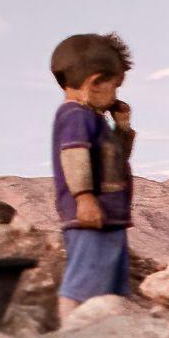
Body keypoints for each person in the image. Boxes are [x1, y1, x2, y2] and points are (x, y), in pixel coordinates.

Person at [48, 32, 136, 321]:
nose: (117, 94)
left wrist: (121, 127)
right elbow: (73, 156)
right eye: (115, 86)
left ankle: (102, 332)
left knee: (108, 282)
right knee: (85, 279)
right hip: (92, 217)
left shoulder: (95, 121)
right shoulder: (75, 116)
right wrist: (84, 198)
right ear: (94, 83)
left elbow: (118, 159)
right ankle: (73, 330)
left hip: (108, 217)